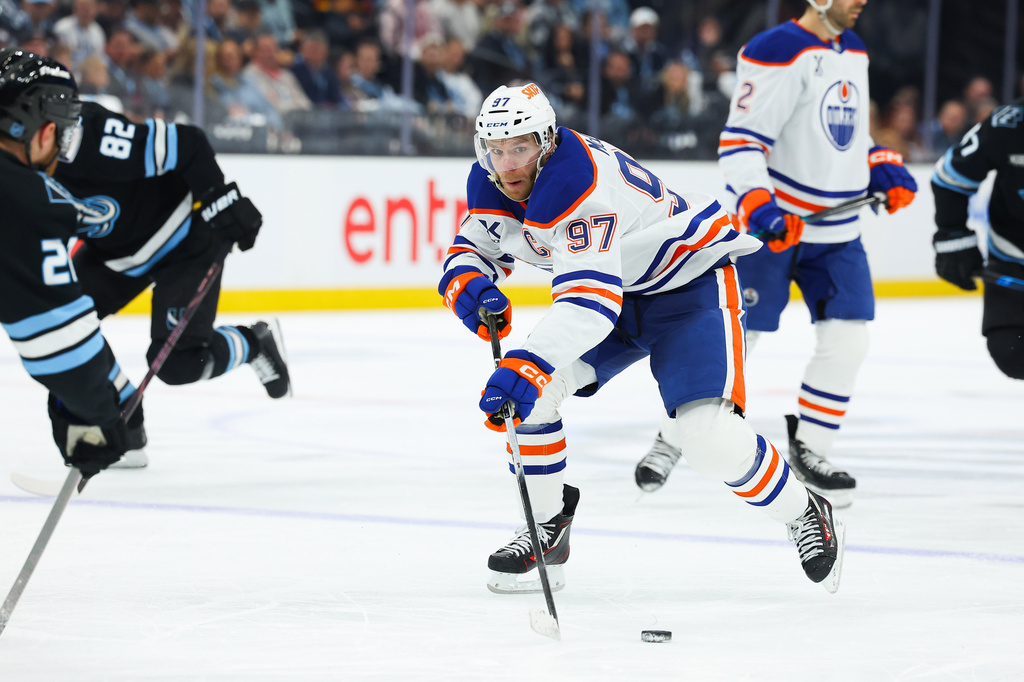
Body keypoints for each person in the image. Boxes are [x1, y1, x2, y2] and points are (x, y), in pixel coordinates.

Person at [439, 82, 846, 595]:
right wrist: (468, 280)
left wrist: (527, 362)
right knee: (534, 398)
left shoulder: (575, 183)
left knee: (707, 438)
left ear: (546, 142)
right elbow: (476, 245)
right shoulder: (492, 180)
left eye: (520, 148)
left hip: (687, 286)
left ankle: (804, 510)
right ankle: (547, 531)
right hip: (618, 290)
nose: (508, 164)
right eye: (496, 150)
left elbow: (590, 305)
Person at [632, 0, 919, 509]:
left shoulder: (853, 48)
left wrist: (878, 162)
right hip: (774, 227)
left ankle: (812, 449)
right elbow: (741, 141)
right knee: (736, 341)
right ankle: (671, 436)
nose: (861, 1)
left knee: (849, 340)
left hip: (837, 231)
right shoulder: (775, 50)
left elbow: (846, 135)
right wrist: (760, 205)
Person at [52, 97, 291, 468]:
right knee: (59, 324)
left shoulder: (86, 136)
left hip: (186, 242)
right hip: (113, 257)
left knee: (179, 365)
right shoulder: (16, 171)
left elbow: (188, 144)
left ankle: (253, 343)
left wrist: (218, 198)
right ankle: (124, 420)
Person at [0, 48, 145, 480]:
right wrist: (96, 415)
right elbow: (57, 339)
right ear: (44, 131)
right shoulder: (24, 200)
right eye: (60, 133)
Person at [931, 98, 1024, 380]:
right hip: (1014, 257)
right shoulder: (1008, 124)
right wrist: (953, 237)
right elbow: (951, 178)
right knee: (1012, 352)